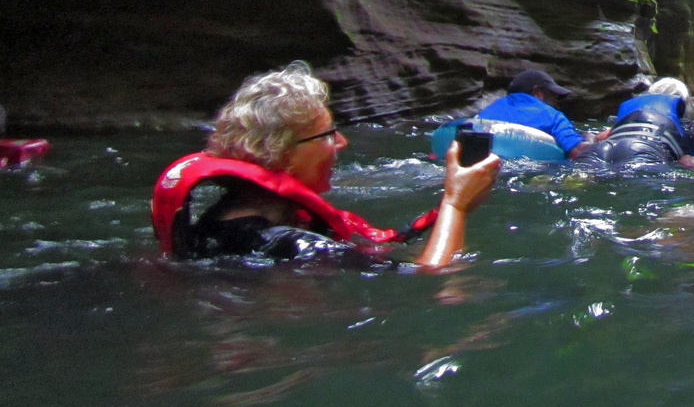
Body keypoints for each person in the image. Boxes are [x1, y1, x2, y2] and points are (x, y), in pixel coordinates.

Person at [152, 62, 499, 265]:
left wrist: (456, 198)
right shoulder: (280, 243)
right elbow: (431, 285)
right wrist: (456, 206)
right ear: (280, 152)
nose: (341, 143)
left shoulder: (223, 220)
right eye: (328, 135)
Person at [589, 78, 694, 166]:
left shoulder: (627, 118)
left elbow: (597, 137)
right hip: (643, 156)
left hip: (598, 152)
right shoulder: (687, 127)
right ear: (683, 105)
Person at [470, 69, 591, 158]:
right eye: (554, 98)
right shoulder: (553, 116)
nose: (556, 104)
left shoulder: (489, 110)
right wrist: (591, 139)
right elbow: (578, 152)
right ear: (538, 93)